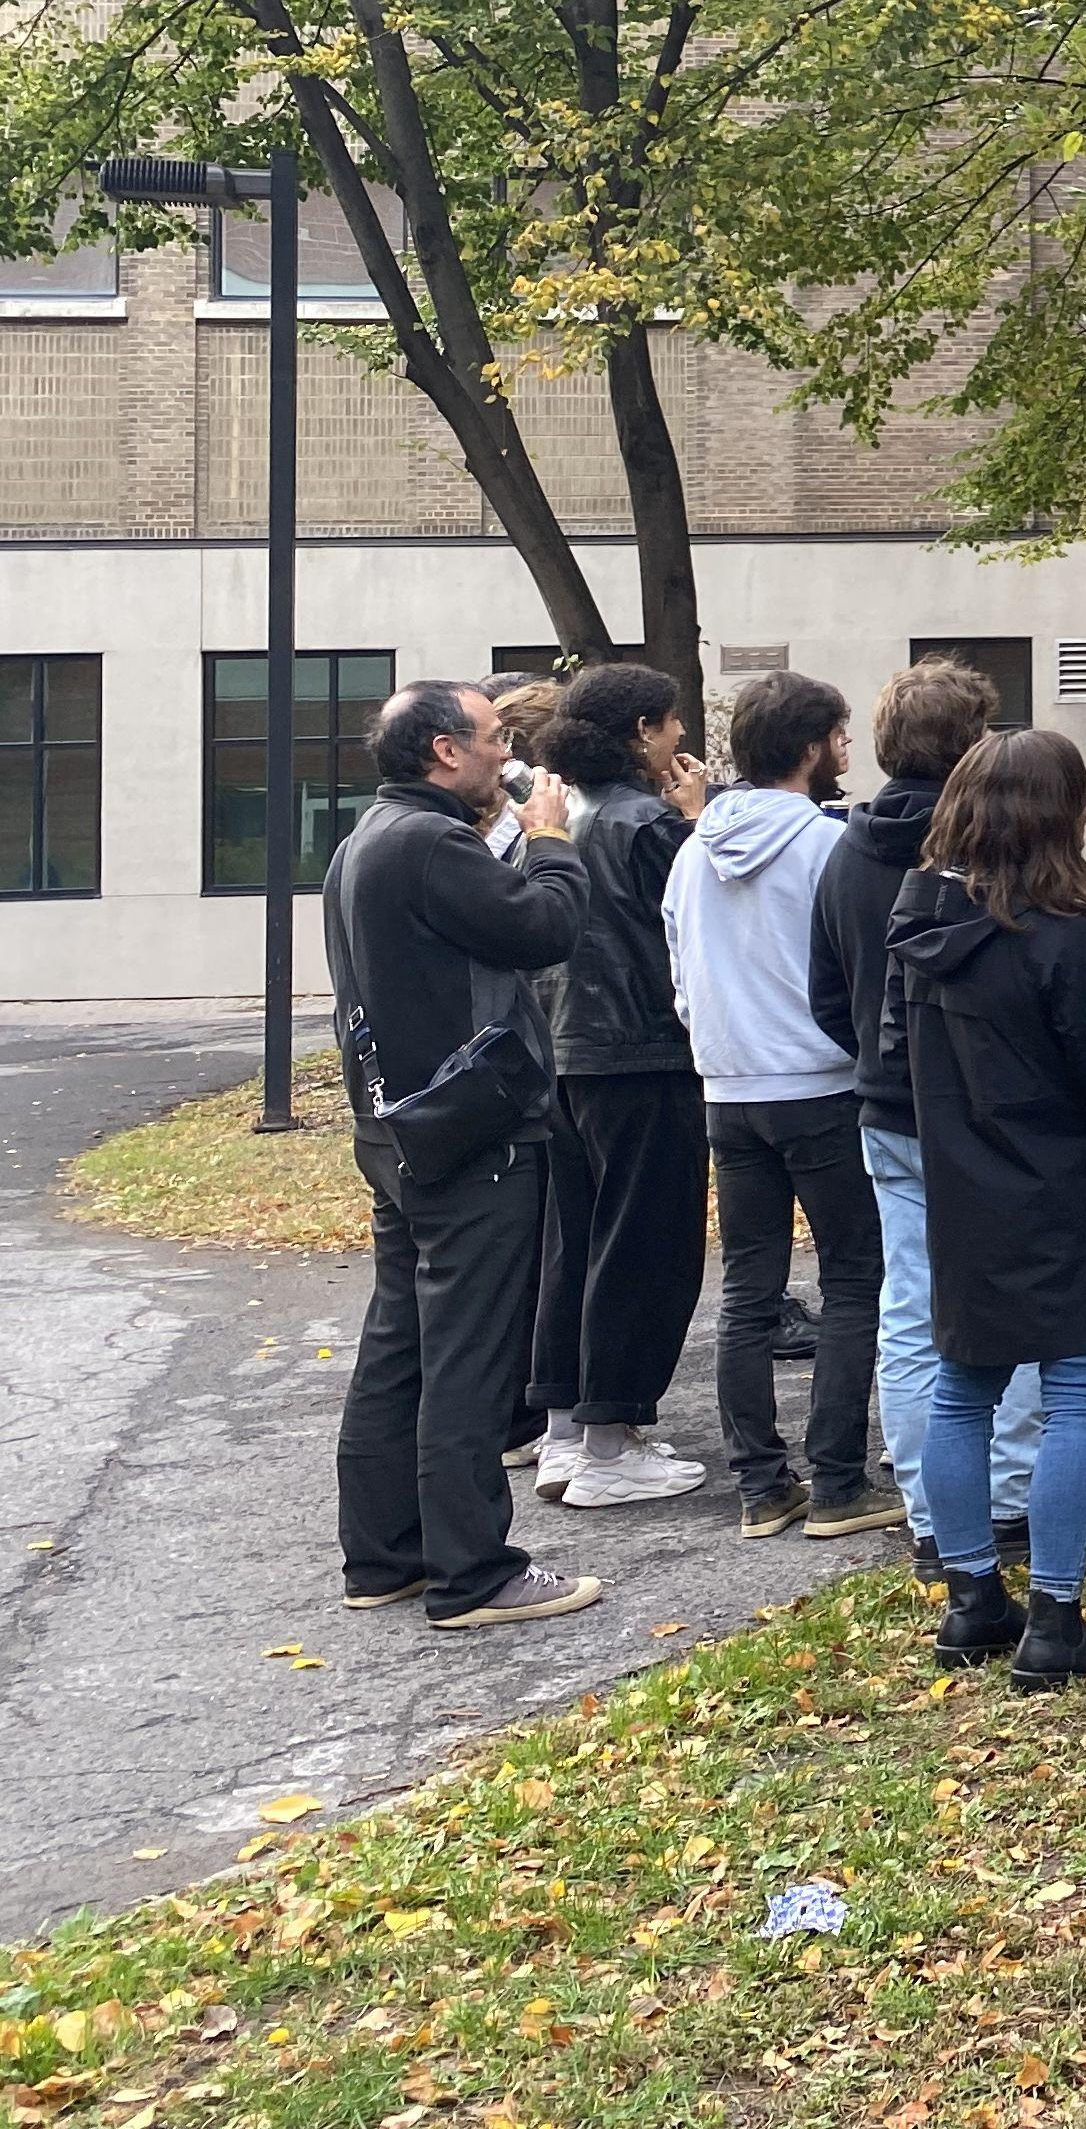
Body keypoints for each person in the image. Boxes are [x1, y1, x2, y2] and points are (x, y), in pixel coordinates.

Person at [326, 680, 603, 1627]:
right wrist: (555, 843)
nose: (505, 754)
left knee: (399, 1342)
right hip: (472, 1129)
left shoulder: (370, 839)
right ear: (446, 751)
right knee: (470, 1351)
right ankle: (474, 1572)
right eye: (492, 738)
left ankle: (385, 1557)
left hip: (398, 1128)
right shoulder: (434, 843)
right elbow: (544, 929)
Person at [889, 728, 1086, 1690]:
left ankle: (970, 1601)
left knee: (962, 1390)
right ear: (1059, 818)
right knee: (1074, 1395)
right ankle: (1055, 1614)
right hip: (1064, 1183)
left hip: (958, 1184)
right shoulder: (1065, 933)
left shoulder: (918, 917)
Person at [811, 657, 1042, 1582]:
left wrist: (877, 1054)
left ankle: (928, 1507)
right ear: (973, 744)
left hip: (887, 1106)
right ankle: (1010, 1494)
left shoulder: (844, 852)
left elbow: (826, 992)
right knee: (1014, 1298)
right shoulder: (994, 850)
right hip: (989, 1107)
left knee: (910, 1310)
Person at [661, 670, 892, 1542]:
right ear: (807, 749)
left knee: (748, 1287)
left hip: (728, 1087)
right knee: (852, 1278)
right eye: (836, 737)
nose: (844, 751)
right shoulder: (831, 846)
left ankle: (762, 1484)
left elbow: (681, 975)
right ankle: (837, 1479)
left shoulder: (691, 853)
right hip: (820, 1085)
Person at [535, 661, 712, 1507]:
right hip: (643, 1050)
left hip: (571, 1050)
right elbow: (698, 928)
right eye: (672, 722)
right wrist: (700, 824)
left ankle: (569, 1433)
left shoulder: (566, 814)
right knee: (646, 1243)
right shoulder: (649, 825)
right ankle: (610, 1443)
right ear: (643, 730)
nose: (682, 737)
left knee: (579, 1240)